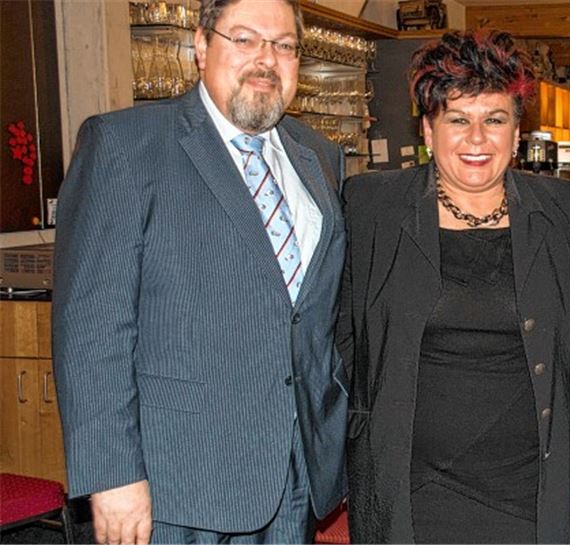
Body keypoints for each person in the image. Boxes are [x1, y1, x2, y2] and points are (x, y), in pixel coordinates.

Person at [52, 0, 348, 542]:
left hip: (295, 476)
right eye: (245, 39)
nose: (266, 59)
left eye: (283, 45)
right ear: (201, 46)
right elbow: (93, 327)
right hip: (176, 483)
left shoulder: (319, 156)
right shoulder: (126, 145)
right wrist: (111, 475)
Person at [339, 30, 570, 544]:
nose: (477, 138)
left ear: (517, 134)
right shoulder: (369, 207)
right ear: (428, 130)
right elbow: (339, 343)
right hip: (409, 494)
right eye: (457, 119)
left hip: (532, 491)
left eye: (494, 120)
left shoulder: (567, 211)